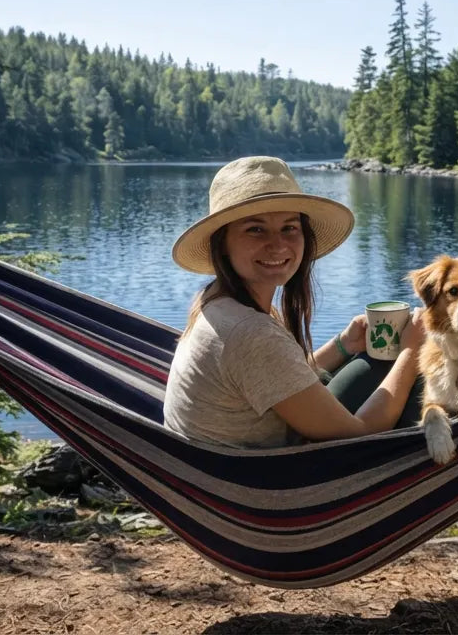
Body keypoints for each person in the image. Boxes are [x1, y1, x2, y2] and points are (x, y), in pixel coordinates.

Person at [163, 156, 422, 448]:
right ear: (222, 242)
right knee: (420, 379)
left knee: (374, 361)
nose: (277, 244)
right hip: (270, 488)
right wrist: (413, 351)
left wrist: (343, 345)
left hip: (218, 476)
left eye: (289, 228)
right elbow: (359, 433)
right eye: (255, 229)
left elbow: (282, 380)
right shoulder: (250, 332)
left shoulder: (217, 303)